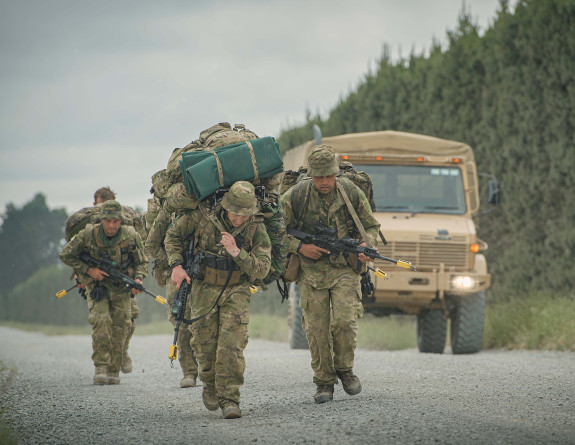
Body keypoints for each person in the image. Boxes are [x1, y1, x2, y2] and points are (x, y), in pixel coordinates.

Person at [280, 144, 381, 404]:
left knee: (345, 322)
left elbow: (370, 225)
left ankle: (345, 371)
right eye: (319, 177)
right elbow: (273, 231)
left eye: (329, 176)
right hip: (311, 271)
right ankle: (324, 382)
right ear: (311, 175)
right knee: (316, 329)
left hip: (344, 267)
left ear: (336, 174)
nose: (324, 182)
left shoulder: (350, 191)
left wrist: (365, 246)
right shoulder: (296, 195)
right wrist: (301, 246)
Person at [165, 181, 271, 419]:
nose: (238, 219)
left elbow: (262, 269)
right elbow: (171, 236)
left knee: (232, 346)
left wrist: (237, 252)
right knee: (204, 345)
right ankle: (210, 383)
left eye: (244, 214)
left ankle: (230, 398)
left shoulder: (256, 228)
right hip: (203, 288)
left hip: (237, 289)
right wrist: (176, 266)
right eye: (235, 213)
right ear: (226, 206)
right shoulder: (202, 217)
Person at [60, 200, 149, 385]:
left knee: (120, 327)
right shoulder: (87, 234)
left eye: (115, 221)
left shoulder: (131, 235)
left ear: (121, 221)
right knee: (100, 322)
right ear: (101, 220)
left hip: (121, 288)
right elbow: (66, 254)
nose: (111, 225)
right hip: (97, 286)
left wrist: (138, 279)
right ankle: (100, 366)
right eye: (107, 221)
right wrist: (88, 270)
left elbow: (142, 261)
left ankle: (114, 369)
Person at [145, 206, 199, 388]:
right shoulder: (168, 212)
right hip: (175, 274)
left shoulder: (207, 209)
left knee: (205, 321)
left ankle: (209, 369)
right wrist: (175, 264)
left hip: (202, 272)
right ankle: (189, 372)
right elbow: (151, 244)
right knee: (181, 321)